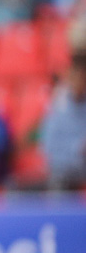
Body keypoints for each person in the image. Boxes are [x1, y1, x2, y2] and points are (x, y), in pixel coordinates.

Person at [41, 53, 86, 189]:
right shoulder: (56, 108)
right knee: (58, 181)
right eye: (75, 77)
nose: (79, 82)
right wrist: (78, 150)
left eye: (82, 78)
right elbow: (49, 147)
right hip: (64, 169)